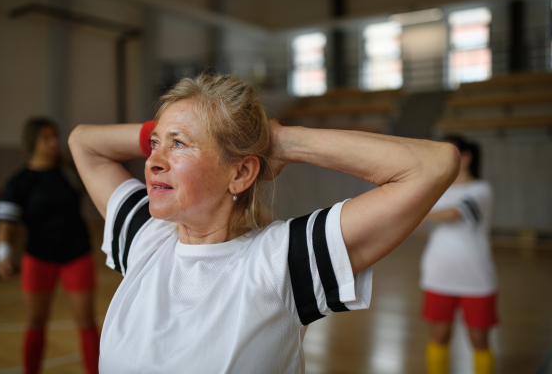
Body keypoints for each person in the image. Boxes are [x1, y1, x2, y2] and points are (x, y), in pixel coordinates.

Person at [68, 74, 459, 373]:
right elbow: (83, 142)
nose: (153, 160)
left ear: (239, 174)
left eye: (180, 144)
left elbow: (433, 165)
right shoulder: (146, 238)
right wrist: (163, 132)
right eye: (155, 144)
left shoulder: (282, 261)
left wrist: (282, 141)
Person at [0, 117, 99, 374]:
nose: (54, 143)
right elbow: (6, 227)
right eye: (46, 138)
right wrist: (3, 255)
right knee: (36, 321)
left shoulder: (70, 172)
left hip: (77, 254)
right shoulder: (19, 182)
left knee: (86, 322)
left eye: (55, 137)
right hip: (39, 257)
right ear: (33, 143)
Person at [420, 135, 497, 374]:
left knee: (479, 340)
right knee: (439, 335)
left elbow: (453, 214)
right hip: (438, 274)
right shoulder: (437, 188)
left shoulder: (481, 189)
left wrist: (419, 215)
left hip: (475, 277)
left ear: (465, 157)